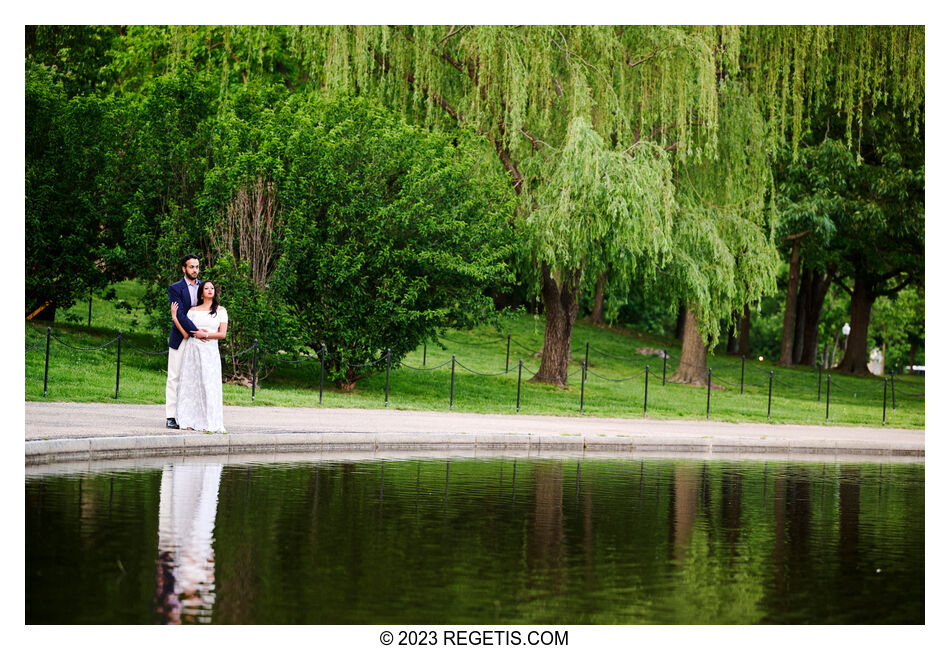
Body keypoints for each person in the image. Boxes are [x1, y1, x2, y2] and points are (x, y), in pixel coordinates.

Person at [171, 280, 228, 432]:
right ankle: (189, 419)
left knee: (209, 385)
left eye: (212, 288)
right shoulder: (193, 311)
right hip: (193, 351)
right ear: (201, 293)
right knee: (191, 384)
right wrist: (175, 318)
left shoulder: (220, 311)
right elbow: (186, 334)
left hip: (210, 351)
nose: (210, 290)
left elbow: (222, 334)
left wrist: (206, 334)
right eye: (206, 288)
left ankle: (210, 421)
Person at [166, 255, 208, 429]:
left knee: (195, 378)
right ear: (184, 268)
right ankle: (170, 416)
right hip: (180, 337)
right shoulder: (175, 288)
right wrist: (195, 332)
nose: (195, 270)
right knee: (174, 376)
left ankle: (192, 415)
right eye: (191, 267)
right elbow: (180, 315)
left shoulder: (203, 287)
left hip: (199, 339)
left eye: (197, 267)